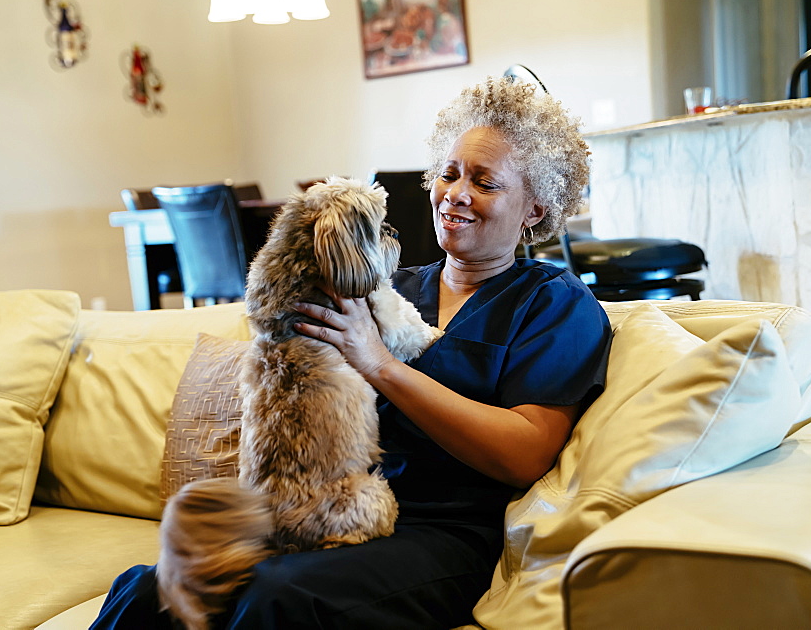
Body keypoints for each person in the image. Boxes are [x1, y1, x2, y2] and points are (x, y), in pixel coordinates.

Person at [90, 75, 611, 629]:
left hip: (445, 534)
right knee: (147, 587)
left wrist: (380, 366)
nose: (455, 194)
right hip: (328, 510)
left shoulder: (553, 304)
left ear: (535, 208)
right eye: (450, 174)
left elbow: (525, 453)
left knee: (275, 596)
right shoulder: (388, 289)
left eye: (485, 182)